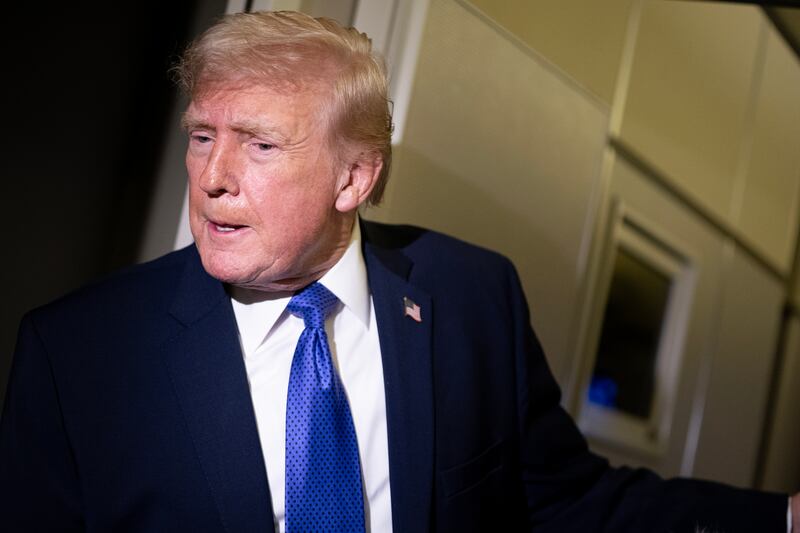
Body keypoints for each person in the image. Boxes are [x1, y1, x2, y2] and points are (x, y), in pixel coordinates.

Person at [0, 10, 797, 533]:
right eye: (203, 135)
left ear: (355, 178)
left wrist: (784, 519)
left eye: (260, 144)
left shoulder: (472, 298)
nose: (212, 177)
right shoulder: (78, 353)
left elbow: (567, 502)